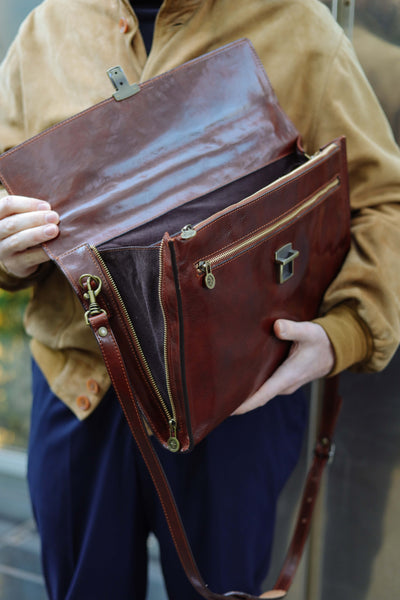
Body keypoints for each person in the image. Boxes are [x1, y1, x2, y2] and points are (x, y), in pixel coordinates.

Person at [0, 1, 400, 599]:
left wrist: (347, 330)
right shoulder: (48, 28)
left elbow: (382, 201)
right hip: (80, 390)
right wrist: (6, 253)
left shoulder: (295, 24)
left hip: (241, 403)